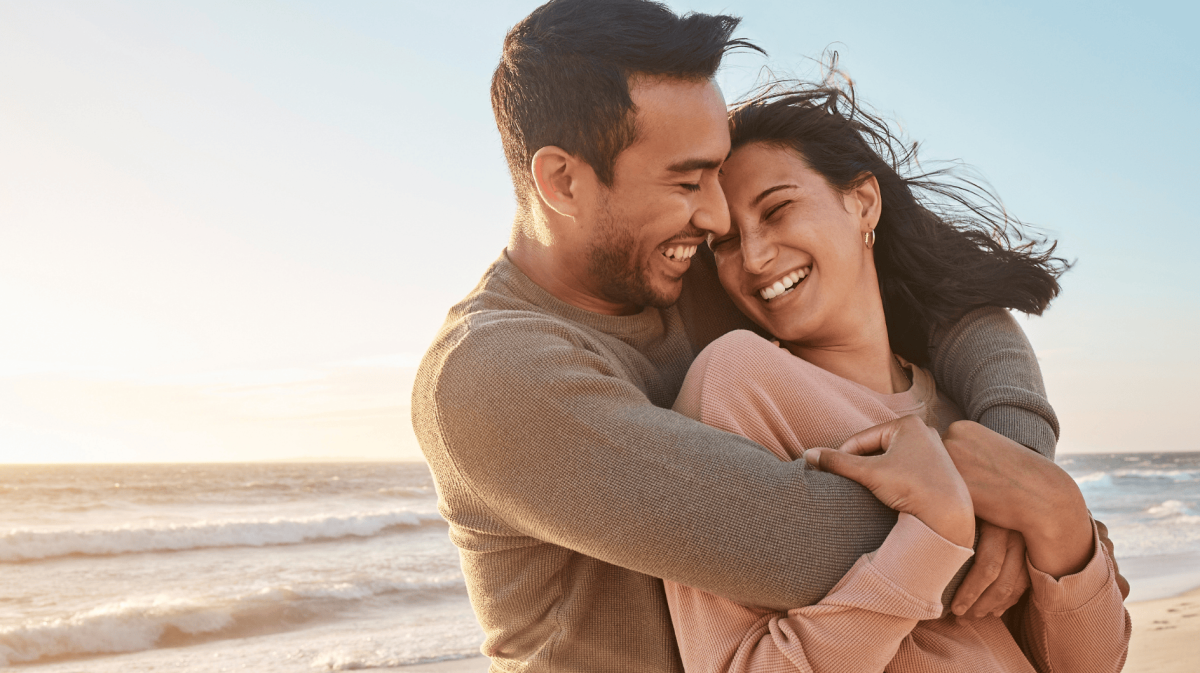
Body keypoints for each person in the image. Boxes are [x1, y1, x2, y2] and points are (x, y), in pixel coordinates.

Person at [411, 1, 1088, 670]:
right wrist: (1015, 519)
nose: (716, 216)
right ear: (563, 181)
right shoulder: (489, 374)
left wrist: (1019, 462)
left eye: (715, 172)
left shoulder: (693, 263)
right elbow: (798, 543)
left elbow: (948, 305)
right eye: (687, 182)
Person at [663, 82, 1131, 672]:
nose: (753, 257)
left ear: (863, 202)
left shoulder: (967, 411)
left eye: (777, 210)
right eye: (726, 243)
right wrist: (930, 539)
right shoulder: (738, 384)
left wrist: (1060, 514)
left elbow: (1092, 664)